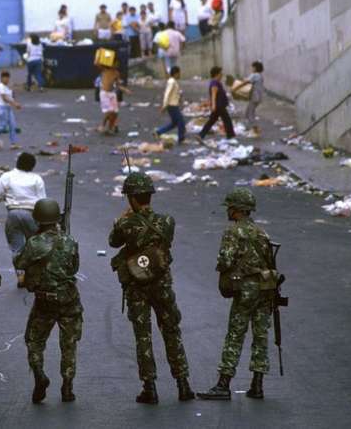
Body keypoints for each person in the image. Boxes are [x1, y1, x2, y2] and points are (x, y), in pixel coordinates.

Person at [108, 173, 195, 404]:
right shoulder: (167, 221)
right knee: (172, 331)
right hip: (163, 284)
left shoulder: (126, 223)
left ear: (132, 199)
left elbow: (113, 242)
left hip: (138, 286)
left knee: (143, 335)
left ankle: (150, 387)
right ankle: (183, 383)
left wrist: (122, 219)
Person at [198, 188, 277, 401]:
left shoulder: (233, 232)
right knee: (260, 336)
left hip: (246, 289)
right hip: (265, 287)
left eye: (230, 207)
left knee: (235, 334)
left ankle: (223, 384)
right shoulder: (262, 232)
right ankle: (257, 385)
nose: (228, 211)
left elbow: (225, 260)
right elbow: (270, 261)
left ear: (236, 210)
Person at [14, 198, 82, 403]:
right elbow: (74, 268)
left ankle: (39, 376)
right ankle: (68, 387)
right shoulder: (70, 240)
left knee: (34, 340)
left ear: (38, 220)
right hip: (69, 299)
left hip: (45, 301)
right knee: (69, 344)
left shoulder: (35, 243)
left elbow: (19, 262)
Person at [0, 153, 47, 288]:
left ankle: (21, 275)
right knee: (34, 244)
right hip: (31, 214)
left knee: (16, 247)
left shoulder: (7, 176)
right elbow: (42, 201)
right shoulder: (36, 179)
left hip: (13, 214)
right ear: (33, 166)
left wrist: (4, 197)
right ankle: (36, 275)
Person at [198, 66, 236, 139]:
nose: (222, 75)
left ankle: (201, 135)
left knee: (212, 120)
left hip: (219, 105)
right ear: (216, 74)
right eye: (220, 73)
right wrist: (213, 105)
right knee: (227, 120)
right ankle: (231, 135)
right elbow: (214, 95)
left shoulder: (217, 82)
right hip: (219, 106)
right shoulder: (215, 83)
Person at [153, 66, 186, 143]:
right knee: (181, 122)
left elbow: (173, 93)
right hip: (172, 105)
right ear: (176, 73)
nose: (180, 75)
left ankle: (158, 132)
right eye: (179, 73)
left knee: (174, 123)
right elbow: (167, 94)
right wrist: (164, 105)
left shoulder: (173, 81)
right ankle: (181, 138)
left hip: (173, 104)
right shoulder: (172, 81)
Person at [99, 63, 130, 135]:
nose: (116, 65)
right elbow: (98, 64)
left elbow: (118, 85)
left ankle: (110, 127)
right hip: (104, 93)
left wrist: (125, 90)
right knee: (109, 111)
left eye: (117, 63)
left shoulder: (116, 73)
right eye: (114, 63)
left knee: (115, 113)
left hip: (112, 93)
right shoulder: (105, 70)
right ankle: (102, 126)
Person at [234, 61, 264, 134]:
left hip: (255, 97)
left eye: (253, 67)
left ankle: (256, 129)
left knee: (249, 114)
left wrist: (235, 88)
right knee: (249, 112)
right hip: (258, 97)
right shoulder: (260, 75)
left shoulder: (254, 75)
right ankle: (252, 128)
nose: (252, 68)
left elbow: (246, 82)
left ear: (255, 68)